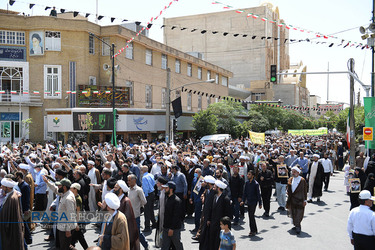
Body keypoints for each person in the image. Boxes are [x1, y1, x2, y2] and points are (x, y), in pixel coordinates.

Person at [44, 177, 77, 250]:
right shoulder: (64, 193)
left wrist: (68, 230)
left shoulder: (68, 198)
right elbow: (56, 190)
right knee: (66, 246)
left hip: (66, 228)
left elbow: (70, 215)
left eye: (59, 185)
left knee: (65, 247)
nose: (58, 187)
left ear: (64, 187)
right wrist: (47, 182)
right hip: (62, 226)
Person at [114, 180, 140, 250]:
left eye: (116, 187)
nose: (114, 189)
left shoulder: (126, 201)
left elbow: (128, 218)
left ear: (121, 189)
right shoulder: (116, 199)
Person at [0, 178, 25, 250]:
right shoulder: (12, 194)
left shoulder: (12, 198)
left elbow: (8, 215)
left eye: (3, 186)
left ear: (7, 187)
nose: (1, 187)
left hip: (11, 228)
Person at [208, 180, 231, 250]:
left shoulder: (225, 199)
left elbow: (228, 215)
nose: (213, 188)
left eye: (214, 187)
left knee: (219, 243)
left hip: (221, 226)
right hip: (213, 224)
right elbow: (211, 209)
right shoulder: (214, 197)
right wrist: (209, 219)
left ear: (218, 188)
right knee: (212, 242)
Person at [127, 174, 148, 249]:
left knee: (137, 232)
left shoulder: (138, 190)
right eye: (128, 180)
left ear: (134, 180)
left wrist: (138, 207)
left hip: (136, 215)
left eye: (129, 180)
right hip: (128, 215)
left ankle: (145, 245)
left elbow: (144, 201)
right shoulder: (128, 190)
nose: (128, 182)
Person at [161, 181, 183, 250]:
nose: (164, 189)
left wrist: (172, 229)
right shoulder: (167, 197)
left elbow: (176, 216)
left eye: (166, 188)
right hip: (166, 227)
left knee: (177, 246)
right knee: (164, 246)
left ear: (171, 189)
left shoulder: (177, 201)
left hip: (174, 229)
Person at [286, 166, 307, 234]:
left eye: (294, 172)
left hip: (300, 200)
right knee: (293, 213)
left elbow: (305, 191)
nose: (293, 173)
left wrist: (305, 200)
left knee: (299, 214)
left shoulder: (302, 180)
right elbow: (288, 187)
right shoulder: (290, 179)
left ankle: (298, 226)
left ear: (298, 173)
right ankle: (295, 225)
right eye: (292, 172)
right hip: (292, 200)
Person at [241, 170, 262, 236]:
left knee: (251, 215)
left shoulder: (256, 184)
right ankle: (254, 229)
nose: (248, 175)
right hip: (249, 201)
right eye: (248, 174)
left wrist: (260, 203)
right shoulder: (247, 183)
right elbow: (245, 193)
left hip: (254, 201)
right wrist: (243, 201)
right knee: (250, 216)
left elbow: (258, 194)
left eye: (249, 174)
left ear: (252, 176)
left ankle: (253, 230)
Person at [70, 183, 88, 250]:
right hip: (76, 220)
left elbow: (78, 212)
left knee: (75, 238)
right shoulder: (74, 197)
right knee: (79, 237)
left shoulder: (77, 199)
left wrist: (76, 223)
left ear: (75, 189)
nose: (70, 189)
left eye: (71, 188)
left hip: (77, 220)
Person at [141, 165, 156, 232]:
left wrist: (145, 196)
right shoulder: (151, 175)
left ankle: (147, 226)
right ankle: (154, 223)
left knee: (146, 211)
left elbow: (145, 188)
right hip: (152, 193)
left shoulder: (144, 178)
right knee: (151, 209)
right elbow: (153, 183)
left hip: (148, 194)